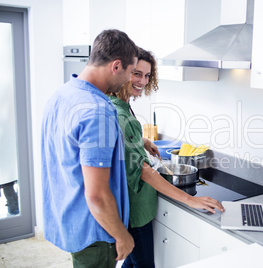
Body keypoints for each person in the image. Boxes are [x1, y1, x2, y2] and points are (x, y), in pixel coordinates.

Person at [108, 48, 225, 268]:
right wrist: (190, 199)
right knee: (143, 265)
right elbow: (144, 170)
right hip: (136, 210)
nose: (142, 81)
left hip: (130, 205)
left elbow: (119, 139)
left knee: (133, 263)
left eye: (147, 75)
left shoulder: (117, 105)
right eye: (137, 73)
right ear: (123, 71)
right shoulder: (121, 113)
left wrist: (141, 141)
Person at [41, 29, 139, 268]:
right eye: (130, 72)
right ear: (116, 66)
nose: (129, 80)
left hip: (69, 218)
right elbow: (96, 194)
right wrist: (122, 235)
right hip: (96, 231)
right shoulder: (97, 110)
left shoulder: (62, 94)